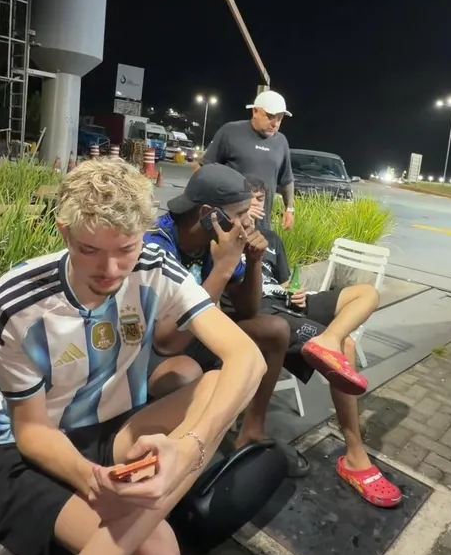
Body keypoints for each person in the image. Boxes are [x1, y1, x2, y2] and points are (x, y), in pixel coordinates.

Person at [0, 158, 266, 555]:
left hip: (113, 427)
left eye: (126, 249)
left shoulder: (153, 265)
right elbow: (32, 430)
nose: (110, 271)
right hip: (29, 453)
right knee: (159, 553)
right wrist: (93, 481)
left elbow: (248, 358)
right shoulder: (20, 301)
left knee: (217, 385)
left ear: (143, 235)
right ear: (64, 232)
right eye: (89, 250)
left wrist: (187, 449)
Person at [245, 176, 403, 508]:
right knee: (346, 348)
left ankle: (328, 339)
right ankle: (355, 456)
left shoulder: (272, 238)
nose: (257, 205)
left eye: (261, 199)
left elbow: (285, 282)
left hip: (287, 305)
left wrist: (296, 292)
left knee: (366, 293)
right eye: (250, 199)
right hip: (263, 314)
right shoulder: (230, 239)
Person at [145, 163, 310, 474]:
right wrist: (222, 269)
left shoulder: (215, 241)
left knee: (274, 330)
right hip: (152, 350)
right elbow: (166, 343)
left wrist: (254, 261)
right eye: (240, 213)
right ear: (209, 214)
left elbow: (248, 311)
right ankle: (181, 458)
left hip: (195, 334)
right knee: (187, 372)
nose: (248, 221)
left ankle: (251, 432)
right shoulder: (157, 245)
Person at [195, 89, 295, 232]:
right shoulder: (230, 132)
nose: (275, 124)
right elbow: (203, 170)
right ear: (255, 111)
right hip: (229, 224)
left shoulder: (281, 142)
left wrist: (289, 209)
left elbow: (287, 180)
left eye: (279, 119)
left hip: (261, 227)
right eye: (270, 116)